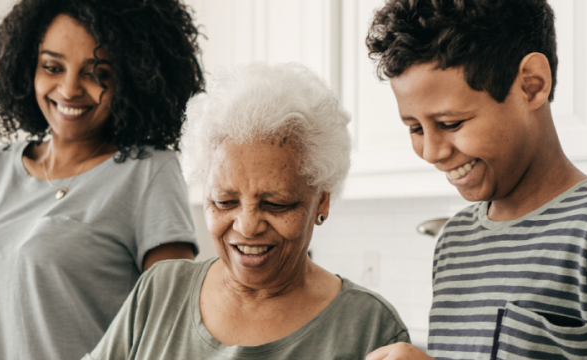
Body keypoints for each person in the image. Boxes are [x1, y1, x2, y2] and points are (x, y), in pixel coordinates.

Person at [81, 63, 410, 360]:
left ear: (321, 201)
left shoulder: (369, 328)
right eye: (225, 202)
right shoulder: (158, 291)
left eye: (276, 203)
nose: (248, 226)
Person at [0, 0, 204, 359]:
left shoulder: (149, 173)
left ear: (134, 76)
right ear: (29, 66)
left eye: (96, 72)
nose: (70, 89)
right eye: (52, 67)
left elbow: (172, 329)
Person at [365, 0, 587, 359]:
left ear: (532, 86)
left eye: (450, 124)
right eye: (415, 128)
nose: (431, 151)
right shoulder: (452, 244)